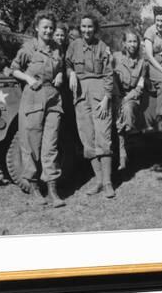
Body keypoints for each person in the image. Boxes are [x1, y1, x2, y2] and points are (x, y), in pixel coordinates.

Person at [10, 11, 66, 208]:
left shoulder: (57, 48)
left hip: (53, 98)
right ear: (37, 28)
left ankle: (52, 190)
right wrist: (27, 78)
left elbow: (60, 67)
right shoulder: (28, 48)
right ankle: (34, 188)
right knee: (31, 144)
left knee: (50, 144)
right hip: (33, 97)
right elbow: (13, 68)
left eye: (51, 27)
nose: (49, 31)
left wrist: (60, 74)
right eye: (45, 27)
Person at [66, 13, 115, 198]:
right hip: (80, 94)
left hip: (99, 93)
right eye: (83, 27)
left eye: (90, 27)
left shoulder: (102, 47)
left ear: (95, 28)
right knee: (88, 138)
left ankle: (108, 182)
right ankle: (99, 181)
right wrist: (71, 73)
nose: (86, 30)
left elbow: (109, 73)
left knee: (103, 136)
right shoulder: (74, 46)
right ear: (80, 28)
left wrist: (107, 97)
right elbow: (67, 64)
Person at [112, 29, 146, 171]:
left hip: (131, 97)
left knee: (126, 111)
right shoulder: (115, 57)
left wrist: (126, 98)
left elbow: (139, 87)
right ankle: (119, 155)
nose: (132, 44)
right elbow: (109, 77)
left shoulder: (143, 63)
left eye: (135, 41)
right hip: (115, 95)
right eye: (129, 41)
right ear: (124, 43)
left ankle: (122, 154)